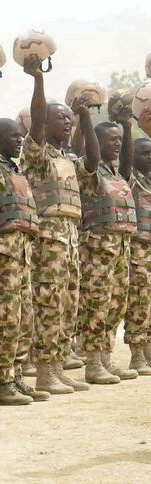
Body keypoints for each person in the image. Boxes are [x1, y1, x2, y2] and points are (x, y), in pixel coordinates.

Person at [0, 69, 49, 405]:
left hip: (24, 255)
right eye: (13, 136)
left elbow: (39, 131)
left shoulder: (20, 171)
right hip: (4, 255)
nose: (19, 140)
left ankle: (16, 376)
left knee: (23, 317)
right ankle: (2, 381)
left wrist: (38, 81)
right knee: (4, 317)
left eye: (20, 135)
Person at [20, 56, 86, 394]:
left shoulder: (67, 159)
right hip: (48, 239)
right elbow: (37, 125)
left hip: (70, 239)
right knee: (48, 303)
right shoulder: (36, 154)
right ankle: (45, 371)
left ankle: (58, 366)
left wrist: (84, 114)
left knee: (67, 303)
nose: (68, 124)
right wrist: (38, 81)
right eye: (61, 119)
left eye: (70, 120)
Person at [76, 112, 138, 383]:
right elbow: (88, 154)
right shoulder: (90, 171)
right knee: (96, 304)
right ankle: (92, 362)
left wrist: (127, 125)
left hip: (121, 248)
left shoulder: (118, 174)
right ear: (97, 142)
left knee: (115, 305)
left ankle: (106, 358)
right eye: (111, 139)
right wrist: (86, 117)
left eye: (120, 140)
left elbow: (127, 163)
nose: (117, 144)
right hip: (98, 249)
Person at [125, 138, 151, 375]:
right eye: (145, 153)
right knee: (138, 301)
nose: (150, 157)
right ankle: (137, 354)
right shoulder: (131, 180)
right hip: (139, 249)